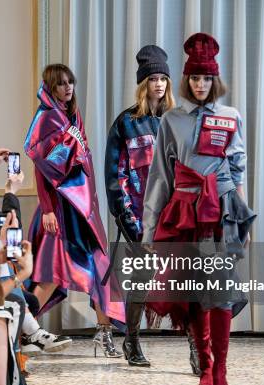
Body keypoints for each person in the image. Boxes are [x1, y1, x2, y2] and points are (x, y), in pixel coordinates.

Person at [141, 33, 256, 385]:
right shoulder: (171, 119)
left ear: (215, 80)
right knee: (192, 293)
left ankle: (221, 369)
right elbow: (159, 176)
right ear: (187, 80)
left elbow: (238, 171)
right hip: (183, 213)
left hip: (220, 213)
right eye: (195, 78)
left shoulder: (231, 117)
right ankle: (204, 364)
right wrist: (148, 229)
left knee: (220, 290)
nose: (202, 84)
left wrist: (242, 218)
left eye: (207, 78)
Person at [24, 63, 125, 358]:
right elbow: (42, 170)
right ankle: (18, 329)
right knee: (51, 273)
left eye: (71, 82)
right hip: (58, 210)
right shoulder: (45, 119)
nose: (68, 88)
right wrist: (47, 209)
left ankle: (104, 334)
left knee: (100, 268)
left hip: (81, 210)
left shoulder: (72, 118)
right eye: (61, 84)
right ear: (50, 87)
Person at [105, 45, 186, 368]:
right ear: (143, 83)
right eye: (153, 78)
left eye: (163, 78)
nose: (159, 85)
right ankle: (132, 340)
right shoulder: (126, 123)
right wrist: (132, 227)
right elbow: (116, 179)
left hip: (175, 220)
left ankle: (195, 347)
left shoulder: (178, 122)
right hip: (141, 222)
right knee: (142, 279)